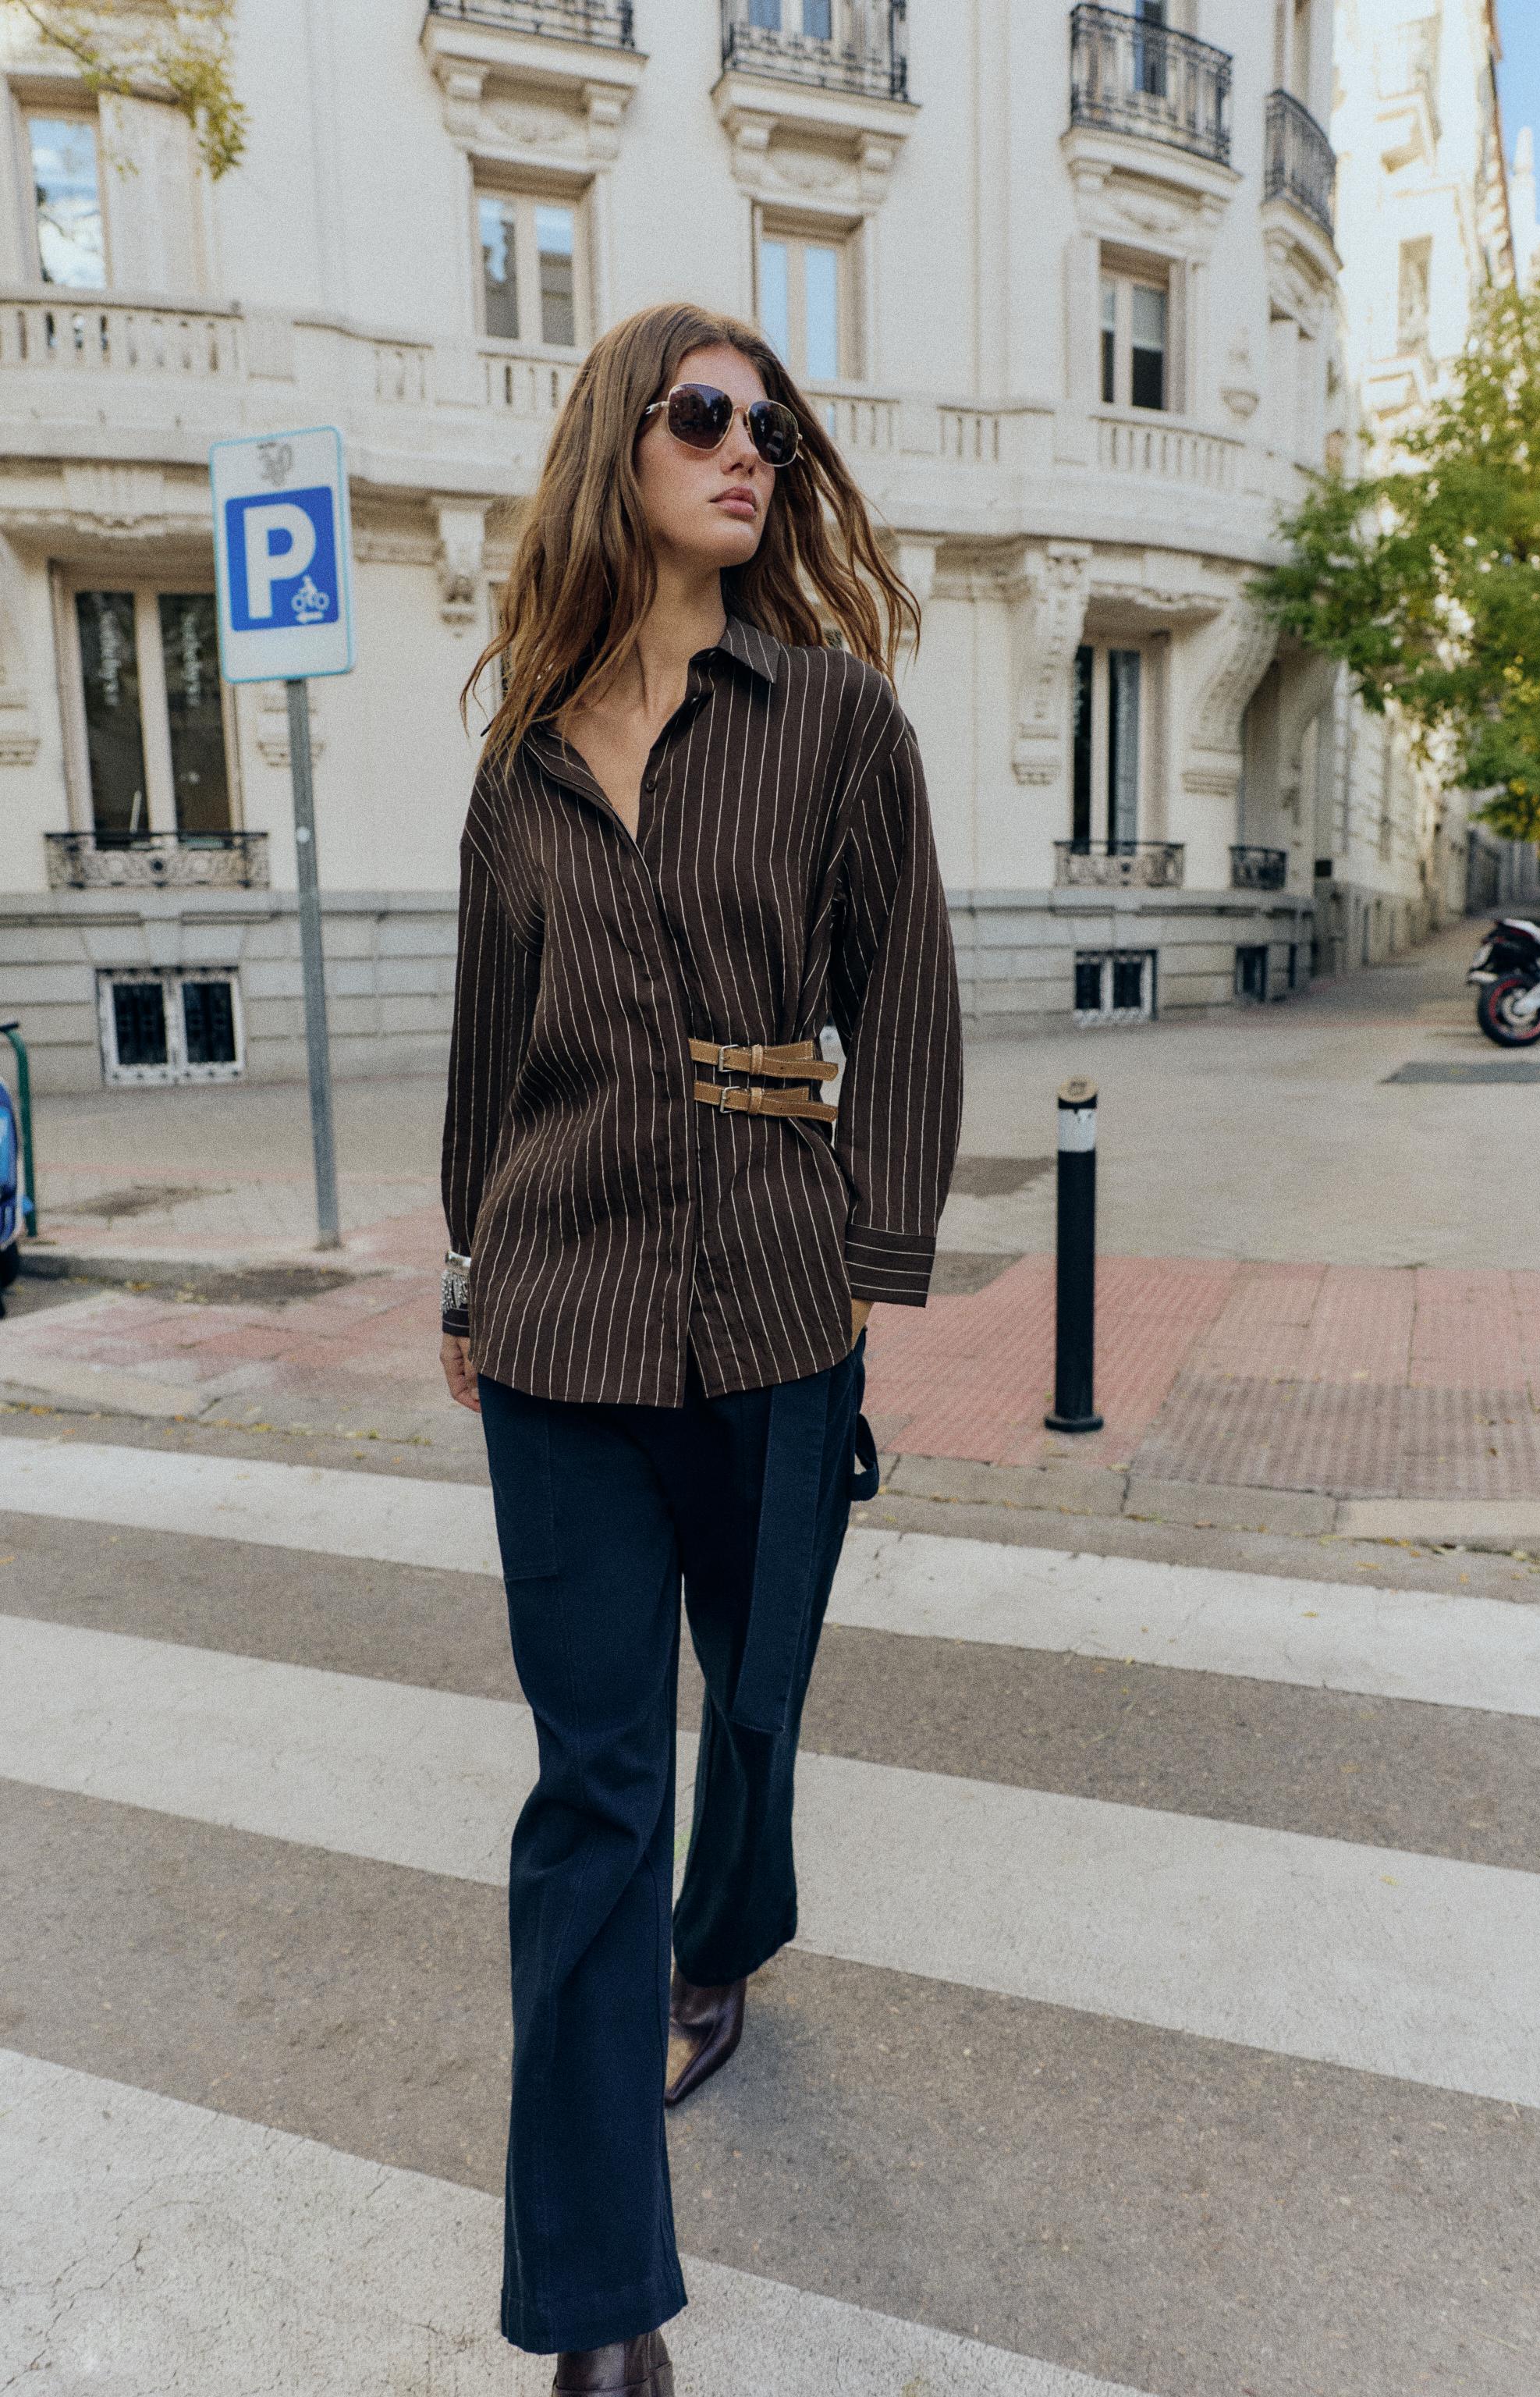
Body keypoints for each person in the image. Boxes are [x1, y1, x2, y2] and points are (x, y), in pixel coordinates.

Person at [438, 300, 963, 2397]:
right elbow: (489, 1054)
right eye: (705, 417)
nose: (750, 451)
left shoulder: (834, 718)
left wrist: (872, 1269)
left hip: (771, 1314)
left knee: (750, 1716)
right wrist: (469, 1278)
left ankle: (726, 1936)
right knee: (593, 1794)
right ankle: (603, 2310)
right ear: (620, 449)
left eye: (774, 428)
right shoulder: (522, 765)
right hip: (559, 1327)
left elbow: (905, 1001)